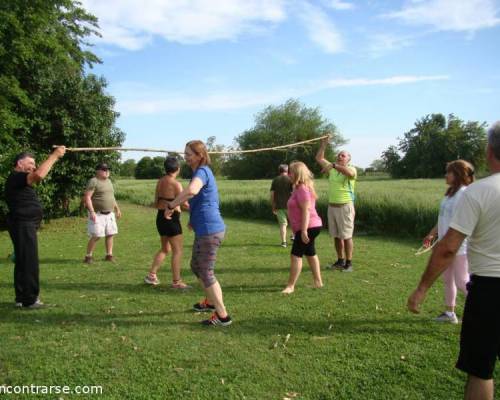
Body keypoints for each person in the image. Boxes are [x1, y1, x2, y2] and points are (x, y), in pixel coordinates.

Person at [408, 121, 500, 400]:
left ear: (489, 151)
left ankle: (450, 309)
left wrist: (421, 288)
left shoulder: (478, 192)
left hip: (491, 289)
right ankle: (449, 310)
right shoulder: (466, 193)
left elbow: (449, 247)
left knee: (480, 369)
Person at [165, 140, 231, 326]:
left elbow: (192, 191)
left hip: (211, 230)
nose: (186, 156)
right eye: (185, 153)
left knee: (205, 271)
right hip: (205, 228)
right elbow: (200, 200)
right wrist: (193, 219)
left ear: (200, 155)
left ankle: (222, 316)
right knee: (196, 266)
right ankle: (210, 302)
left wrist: (171, 205)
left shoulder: (202, 171)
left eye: (190, 154)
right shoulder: (198, 172)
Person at [5, 146, 66, 308]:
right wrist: (55, 155)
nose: (34, 165)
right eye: (30, 162)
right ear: (19, 163)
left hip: (23, 224)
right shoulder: (17, 176)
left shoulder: (18, 179)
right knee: (29, 262)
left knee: (22, 261)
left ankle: (21, 297)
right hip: (23, 224)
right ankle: (30, 300)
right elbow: (39, 174)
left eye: (34, 163)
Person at [422, 160, 475, 323]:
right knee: (448, 279)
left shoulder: (464, 195)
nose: (446, 175)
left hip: (458, 246)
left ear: (457, 174)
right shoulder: (450, 193)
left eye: (449, 172)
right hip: (446, 245)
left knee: (462, 282)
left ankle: (486, 313)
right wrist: (432, 234)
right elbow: (443, 218)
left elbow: (462, 224)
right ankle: (450, 313)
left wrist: (444, 243)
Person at [144, 157, 190, 289]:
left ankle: (151, 275)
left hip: (160, 217)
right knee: (178, 251)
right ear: (178, 169)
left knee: (165, 249)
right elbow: (184, 204)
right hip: (172, 218)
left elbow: (156, 201)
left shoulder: (160, 181)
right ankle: (177, 282)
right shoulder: (176, 184)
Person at [282, 161, 323, 294]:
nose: (288, 174)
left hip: (309, 226)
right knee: (310, 253)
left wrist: (304, 231)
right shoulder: (298, 188)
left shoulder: (303, 189)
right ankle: (318, 282)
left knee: (296, 255)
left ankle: (290, 286)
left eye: (290, 172)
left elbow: (306, 210)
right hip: (309, 226)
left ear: (297, 173)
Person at [316, 138, 357, 272]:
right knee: (336, 236)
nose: (340, 156)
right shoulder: (332, 169)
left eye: (343, 155)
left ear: (348, 159)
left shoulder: (351, 169)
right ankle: (340, 261)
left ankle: (349, 263)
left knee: (346, 236)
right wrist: (324, 144)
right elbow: (319, 157)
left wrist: (333, 165)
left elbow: (349, 174)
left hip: (345, 207)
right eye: (339, 155)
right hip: (332, 207)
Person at [83, 163, 121, 263]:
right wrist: (92, 212)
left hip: (110, 214)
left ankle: (109, 255)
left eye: (108, 169)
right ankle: (88, 256)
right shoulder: (93, 181)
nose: (107, 171)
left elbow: (112, 197)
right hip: (97, 214)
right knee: (96, 235)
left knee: (110, 234)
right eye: (104, 169)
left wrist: (117, 209)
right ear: (98, 171)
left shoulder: (109, 181)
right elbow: (87, 197)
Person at [270, 164, 293, 247]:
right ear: (287, 170)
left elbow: (272, 194)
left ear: (279, 171)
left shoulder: (275, 180)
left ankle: (284, 242)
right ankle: (293, 236)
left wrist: (273, 206)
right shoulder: (291, 179)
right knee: (293, 222)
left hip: (279, 206)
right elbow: (293, 192)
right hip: (291, 205)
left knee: (283, 224)